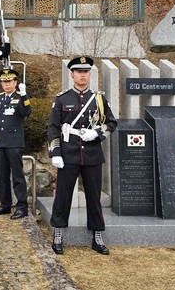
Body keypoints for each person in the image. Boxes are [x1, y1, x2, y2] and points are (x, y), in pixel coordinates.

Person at [48, 56, 117, 255]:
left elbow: (111, 123)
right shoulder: (62, 98)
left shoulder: (99, 99)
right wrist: (56, 152)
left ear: (89, 74)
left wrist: (97, 132)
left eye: (85, 72)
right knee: (63, 195)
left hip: (92, 155)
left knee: (94, 197)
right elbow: (53, 128)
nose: (82, 75)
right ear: (72, 74)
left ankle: (97, 236)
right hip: (68, 155)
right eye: (78, 71)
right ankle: (58, 233)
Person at [0, 69, 31, 220]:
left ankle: (22, 207)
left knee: (17, 176)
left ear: (15, 83)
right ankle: (5, 204)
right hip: (1, 142)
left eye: (10, 82)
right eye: (4, 82)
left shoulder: (20, 97)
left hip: (14, 143)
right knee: (3, 175)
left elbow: (27, 112)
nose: (7, 84)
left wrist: (24, 94)